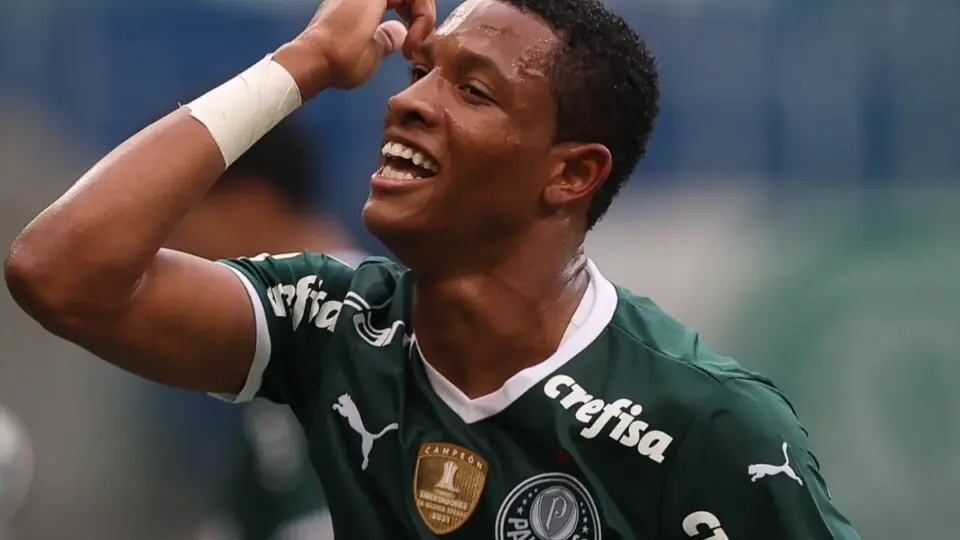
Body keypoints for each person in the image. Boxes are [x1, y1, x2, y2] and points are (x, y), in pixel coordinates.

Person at [4, 0, 861, 538]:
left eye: (472, 91)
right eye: (422, 72)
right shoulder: (331, 321)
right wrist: (306, 61)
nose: (406, 100)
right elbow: (59, 272)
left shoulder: (708, 427)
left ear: (571, 174)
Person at [164, 117, 356, 540]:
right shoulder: (278, 323)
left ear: (247, 206)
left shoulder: (355, 322)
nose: (171, 246)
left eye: (178, 219)